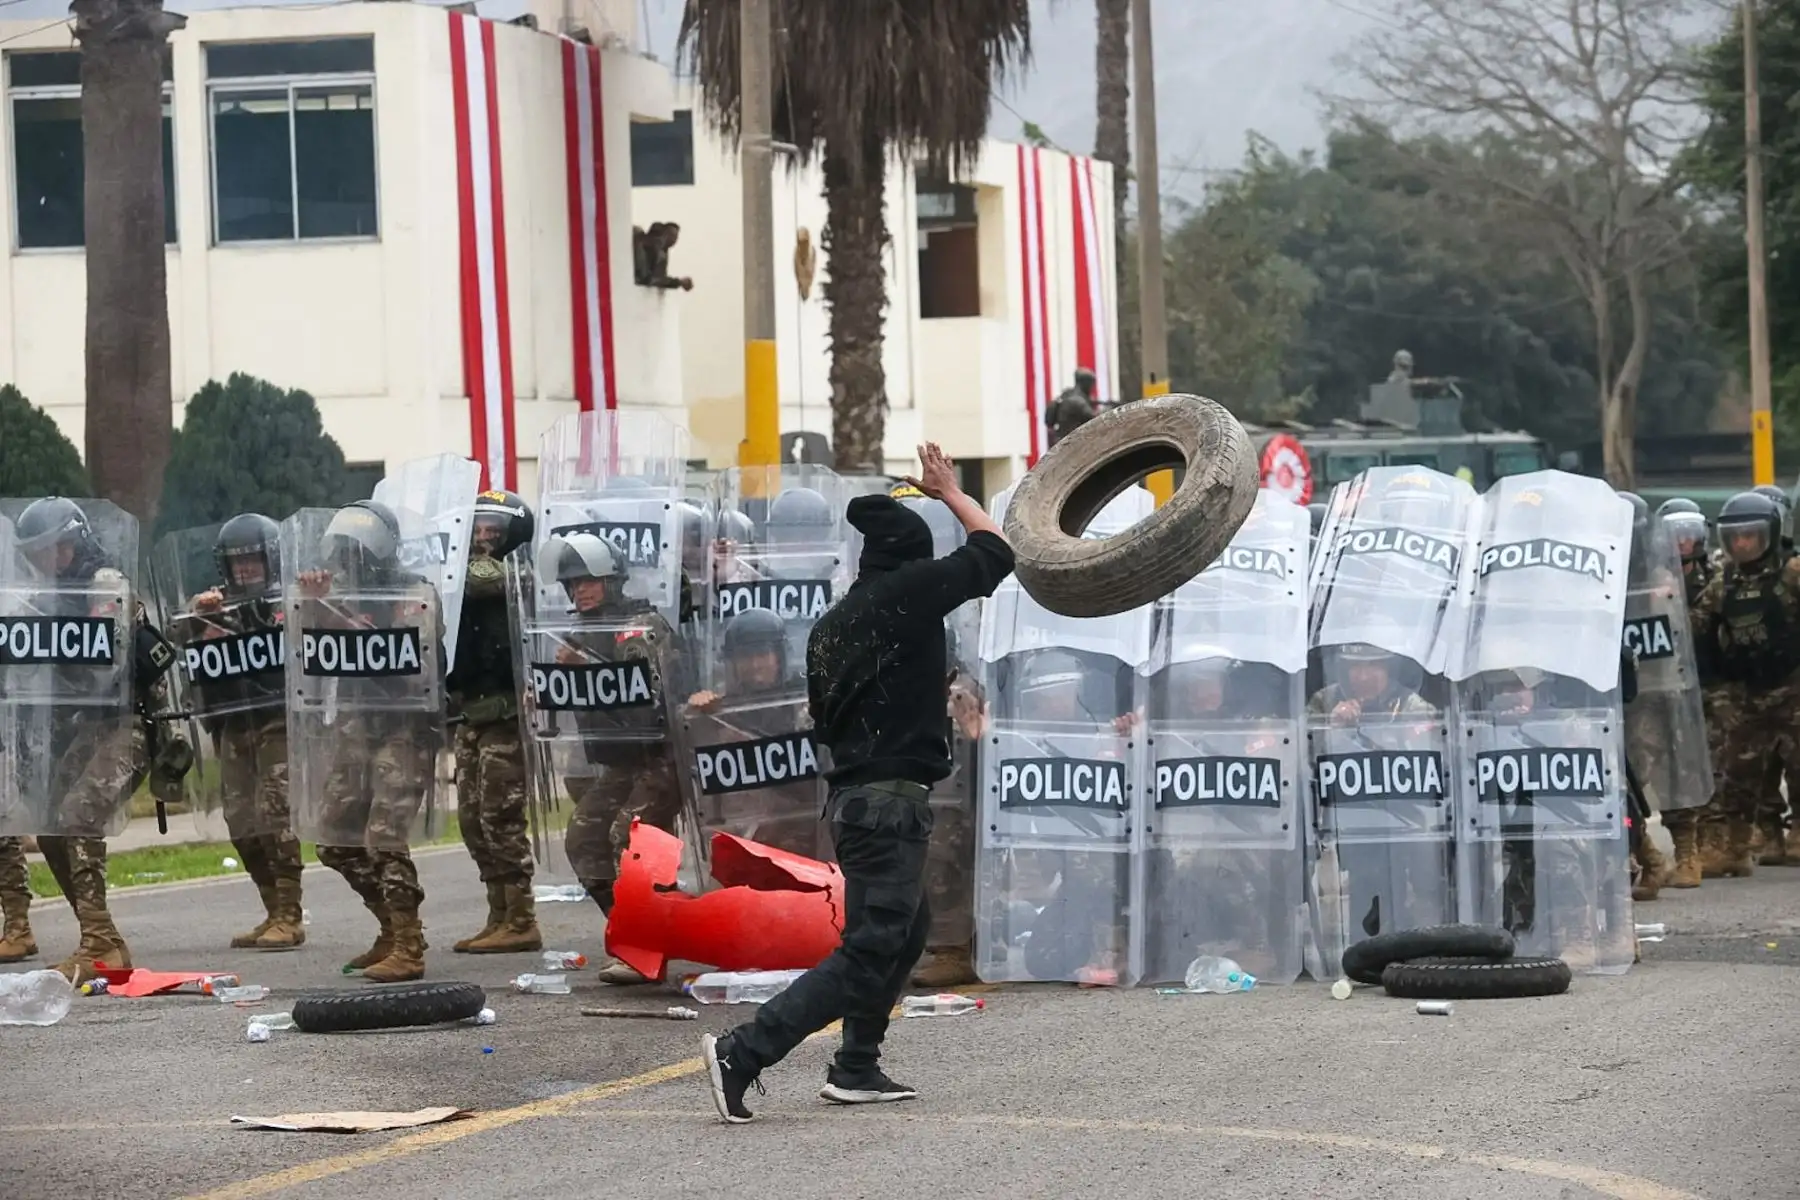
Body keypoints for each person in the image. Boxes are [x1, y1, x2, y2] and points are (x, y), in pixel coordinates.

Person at [702, 442, 1014, 1124]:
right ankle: (744, 1052)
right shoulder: (904, 597)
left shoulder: (834, 624)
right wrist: (952, 495)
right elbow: (997, 554)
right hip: (887, 804)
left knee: (905, 934)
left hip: (856, 802)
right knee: (875, 943)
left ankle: (855, 1066)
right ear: (911, 557)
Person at [15, 497, 184, 982]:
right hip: (86, 728)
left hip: (130, 724)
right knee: (50, 824)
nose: (46, 560)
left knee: (79, 814)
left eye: (55, 549)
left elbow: (101, 671)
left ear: (76, 542)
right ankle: (105, 939)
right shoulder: (39, 597)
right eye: (37, 552)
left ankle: (97, 945)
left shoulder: (105, 586)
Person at [300, 500, 441, 983]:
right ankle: (389, 928)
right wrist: (315, 606)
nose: (351, 560)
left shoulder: (414, 592)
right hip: (356, 725)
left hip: (405, 729)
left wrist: (344, 623)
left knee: (384, 835)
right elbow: (306, 655)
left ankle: (408, 945)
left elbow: (414, 667)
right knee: (334, 837)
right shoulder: (339, 594)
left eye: (360, 551)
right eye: (346, 552)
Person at [548, 531, 686, 984]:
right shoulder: (577, 633)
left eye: (589, 580)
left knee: (623, 840)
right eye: (572, 584)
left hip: (661, 756)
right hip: (620, 760)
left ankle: (650, 946)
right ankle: (631, 933)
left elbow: (645, 686)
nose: (580, 590)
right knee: (583, 839)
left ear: (612, 580)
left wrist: (582, 669)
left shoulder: (640, 624)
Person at [178, 513, 304, 949]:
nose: (245, 570)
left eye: (252, 560)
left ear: (270, 560)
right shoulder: (214, 607)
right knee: (241, 822)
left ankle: (290, 914)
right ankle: (272, 910)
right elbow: (179, 643)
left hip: (276, 720)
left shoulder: (288, 602)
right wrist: (198, 618)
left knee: (276, 815)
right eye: (237, 563)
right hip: (232, 722)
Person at [1689, 490, 1800, 874]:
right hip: (1748, 692)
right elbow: (1696, 625)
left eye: (1751, 535)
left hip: (1794, 689)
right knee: (1738, 774)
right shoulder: (1724, 584)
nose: (1743, 543)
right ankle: (1737, 847)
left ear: (1770, 534)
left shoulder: (1793, 572)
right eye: (1735, 536)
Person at [450, 489, 541, 954]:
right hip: (470, 715)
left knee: (500, 817)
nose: (483, 538)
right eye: (478, 529)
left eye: (494, 531)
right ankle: (499, 911)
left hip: (508, 716)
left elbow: (483, 579)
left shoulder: (521, 575)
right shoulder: (454, 581)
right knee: (470, 819)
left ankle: (522, 917)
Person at [1045, 368, 1099, 448]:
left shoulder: (1067, 395)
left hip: (1063, 441)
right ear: (1085, 383)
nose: (1092, 387)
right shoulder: (1077, 401)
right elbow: (1095, 418)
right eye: (1091, 384)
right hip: (1072, 443)